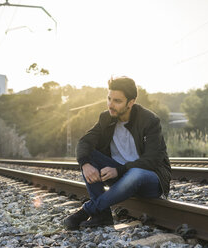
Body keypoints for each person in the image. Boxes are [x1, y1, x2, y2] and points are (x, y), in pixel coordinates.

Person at [63, 76, 171, 230]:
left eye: (117, 101)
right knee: (89, 155)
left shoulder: (150, 120)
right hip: (121, 175)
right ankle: (103, 216)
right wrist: (85, 164)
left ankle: (87, 210)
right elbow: (85, 142)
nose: (110, 105)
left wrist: (119, 170)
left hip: (150, 179)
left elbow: (153, 160)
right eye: (109, 98)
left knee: (136, 174)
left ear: (131, 102)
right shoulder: (106, 118)